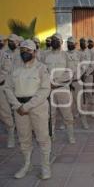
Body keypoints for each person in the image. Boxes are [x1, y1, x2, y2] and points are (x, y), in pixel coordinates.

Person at [5, 39, 51, 179]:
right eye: (22, 51)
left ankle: (45, 167)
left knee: (43, 138)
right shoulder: (14, 68)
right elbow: (7, 88)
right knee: (24, 138)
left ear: (35, 52)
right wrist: (17, 105)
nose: (25, 53)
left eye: (28, 51)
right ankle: (27, 164)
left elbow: (45, 90)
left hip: (37, 107)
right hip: (19, 109)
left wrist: (27, 106)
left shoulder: (42, 68)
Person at [42, 33, 76, 144]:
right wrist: (49, 83)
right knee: (50, 114)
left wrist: (57, 82)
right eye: (53, 39)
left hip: (63, 88)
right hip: (49, 89)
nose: (54, 41)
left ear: (61, 42)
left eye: (57, 40)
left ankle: (71, 136)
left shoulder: (66, 56)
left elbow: (70, 71)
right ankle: (51, 136)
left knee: (67, 114)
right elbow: (41, 71)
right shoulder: (45, 55)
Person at [66, 36, 89, 129]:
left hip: (77, 82)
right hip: (66, 83)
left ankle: (84, 122)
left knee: (80, 103)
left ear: (75, 44)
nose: (70, 45)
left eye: (72, 43)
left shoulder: (80, 54)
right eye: (68, 43)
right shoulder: (64, 54)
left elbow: (84, 67)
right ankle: (68, 123)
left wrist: (76, 76)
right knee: (67, 105)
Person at [0, 35, 15, 148]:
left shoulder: (5, 56)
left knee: (5, 113)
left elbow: (6, 71)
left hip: (1, 87)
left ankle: (11, 135)